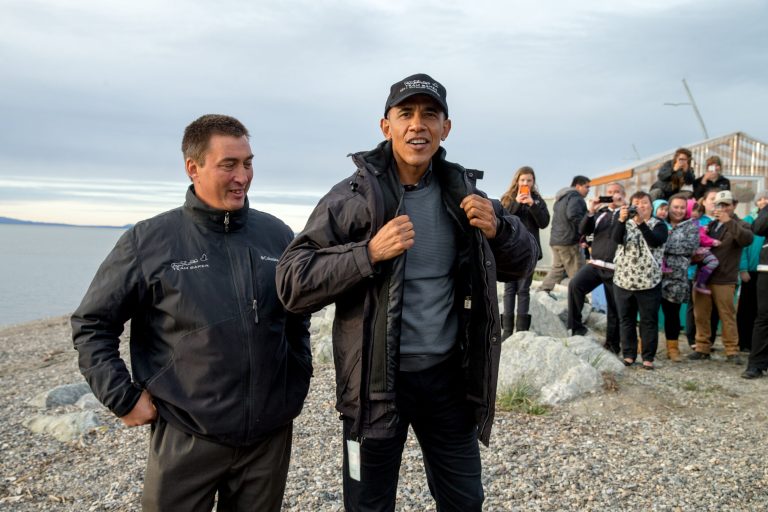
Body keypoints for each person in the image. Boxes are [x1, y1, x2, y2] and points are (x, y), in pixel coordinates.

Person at [276, 73, 538, 512]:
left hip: (448, 381)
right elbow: (292, 282)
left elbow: (522, 263)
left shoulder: (465, 194)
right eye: (406, 114)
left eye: (429, 115)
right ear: (386, 127)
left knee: (465, 500)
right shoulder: (353, 198)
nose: (418, 125)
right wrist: (369, 253)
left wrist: (501, 229)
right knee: (368, 504)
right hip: (374, 388)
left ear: (445, 128)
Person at [72, 115, 312, 512]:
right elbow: (92, 324)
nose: (242, 176)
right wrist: (123, 398)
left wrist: (295, 379)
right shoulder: (149, 241)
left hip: (267, 439)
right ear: (193, 167)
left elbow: (296, 315)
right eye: (229, 165)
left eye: (248, 163)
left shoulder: (278, 235)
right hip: (186, 434)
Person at [688, 190, 753, 362]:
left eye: (726, 204)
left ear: (734, 205)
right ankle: (702, 348)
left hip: (724, 278)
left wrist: (728, 221)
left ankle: (732, 350)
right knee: (701, 314)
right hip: (703, 277)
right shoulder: (708, 225)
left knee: (727, 315)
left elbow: (746, 239)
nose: (722, 208)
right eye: (719, 205)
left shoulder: (741, 225)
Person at [611, 191, 668, 369]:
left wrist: (641, 223)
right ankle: (628, 354)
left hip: (648, 281)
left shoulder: (659, 225)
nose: (640, 206)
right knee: (626, 319)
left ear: (651, 206)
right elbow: (615, 239)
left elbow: (655, 241)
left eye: (644, 203)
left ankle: (648, 357)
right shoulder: (624, 223)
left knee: (648, 320)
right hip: (623, 279)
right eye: (636, 203)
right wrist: (621, 220)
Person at [566, 182, 625, 351]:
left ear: (623, 194)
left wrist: (623, 208)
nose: (614, 195)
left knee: (614, 307)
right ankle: (576, 328)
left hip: (616, 268)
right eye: (610, 192)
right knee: (575, 285)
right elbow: (583, 230)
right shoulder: (601, 213)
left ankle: (612, 345)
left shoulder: (628, 213)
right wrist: (591, 211)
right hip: (596, 263)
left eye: (617, 192)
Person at [499, 166, 550, 337]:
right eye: (523, 180)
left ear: (533, 182)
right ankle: (506, 331)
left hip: (529, 251)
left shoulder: (537, 200)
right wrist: (517, 203)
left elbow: (544, 223)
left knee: (523, 289)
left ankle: (521, 331)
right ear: (517, 181)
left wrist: (532, 205)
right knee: (509, 289)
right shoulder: (507, 198)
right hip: (509, 250)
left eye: (529, 180)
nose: (526, 183)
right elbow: (502, 218)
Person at [660, 194, 700, 361]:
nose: (679, 211)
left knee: (672, 314)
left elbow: (690, 247)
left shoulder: (691, 226)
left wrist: (664, 244)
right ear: (669, 207)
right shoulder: (659, 223)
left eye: (682, 207)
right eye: (675, 207)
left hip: (676, 277)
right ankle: (645, 345)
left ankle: (673, 348)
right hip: (654, 275)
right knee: (648, 313)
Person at [539, 175, 590, 293]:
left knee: (558, 269)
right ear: (578, 186)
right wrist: (585, 227)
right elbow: (573, 215)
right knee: (578, 272)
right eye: (586, 187)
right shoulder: (576, 197)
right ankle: (582, 302)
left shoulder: (562, 197)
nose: (588, 190)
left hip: (556, 240)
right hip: (568, 242)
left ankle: (542, 291)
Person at [737, 191, 768, 353]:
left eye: (766, 198)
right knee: (746, 308)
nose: (763, 201)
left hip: (764, 271)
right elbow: (742, 247)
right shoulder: (749, 221)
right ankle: (744, 341)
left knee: (761, 310)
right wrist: (742, 268)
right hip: (750, 271)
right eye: (760, 199)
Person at [689, 200, 721, 295]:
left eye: (698, 211)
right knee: (713, 262)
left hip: (697, 251)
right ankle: (700, 282)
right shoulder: (693, 223)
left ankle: (700, 281)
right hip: (697, 250)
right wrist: (713, 241)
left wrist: (703, 229)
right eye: (693, 210)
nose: (695, 213)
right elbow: (701, 237)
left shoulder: (697, 222)